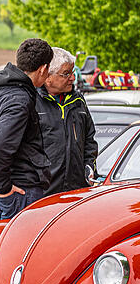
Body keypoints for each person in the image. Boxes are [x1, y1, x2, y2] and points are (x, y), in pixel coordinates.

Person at [0, 38, 53, 222]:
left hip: (13, 191)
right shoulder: (19, 99)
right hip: (21, 191)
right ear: (43, 69)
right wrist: (3, 190)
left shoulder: (0, 91)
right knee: (23, 249)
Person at [37, 47, 97, 194]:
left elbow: (89, 139)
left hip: (77, 190)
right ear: (48, 76)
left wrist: (89, 166)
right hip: (43, 192)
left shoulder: (78, 101)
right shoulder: (32, 102)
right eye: (66, 74)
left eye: (72, 72)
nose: (73, 78)